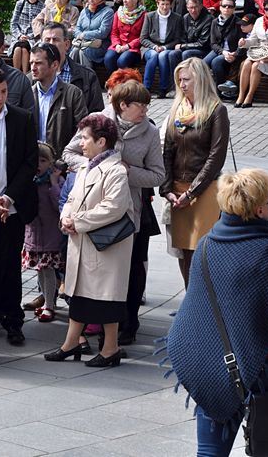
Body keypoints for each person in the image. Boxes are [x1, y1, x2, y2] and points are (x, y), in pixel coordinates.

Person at [166, 168, 268, 456]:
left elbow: (198, 305)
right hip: (262, 367)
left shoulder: (206, 244)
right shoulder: (266, 250)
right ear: (258, 209)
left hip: (207, 363)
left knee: (210, 452)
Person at [62, 80, 164, 346]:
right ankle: (87, 331)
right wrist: (97, 166)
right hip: (90, 206)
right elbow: (69, 153)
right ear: (122, 105)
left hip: (129, 213)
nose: (145, 110)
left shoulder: (150, 132)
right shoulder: (97, 122)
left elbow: (158, 174)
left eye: (146, 104)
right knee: (91, 272)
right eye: (140, 105)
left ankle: (127, 325)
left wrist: (128, 171)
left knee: (129, 271)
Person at [47, 114, 133, 367]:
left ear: (102, 142)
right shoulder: (86, 166)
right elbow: (71, 197)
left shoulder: (116, 170)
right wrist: (65, 216)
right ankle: (71, 343)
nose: (81, 143)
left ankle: (110, 349)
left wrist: (78, 221)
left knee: (106, 299)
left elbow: (113, 207)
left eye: (85, 138)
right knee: (81, 296)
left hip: (105, 246)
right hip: (83, 241)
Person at [0, 71, 39, 345]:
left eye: (4, 92)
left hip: (11, 205)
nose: (0, 98)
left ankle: (13, 321)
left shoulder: (21, 118)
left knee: (10, 265)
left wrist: (9, 197)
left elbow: (29, 161)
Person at [161, 57, 229, 287]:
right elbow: (168, 150)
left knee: (202, 250)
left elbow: (216, 157)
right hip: (178, 188)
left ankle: (205, 300)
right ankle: (190, 298)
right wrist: (167, 188)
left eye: (187, 79)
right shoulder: (177, 109)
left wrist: (191, 193)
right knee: (183, 250)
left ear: (200, 79)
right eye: (179, 80)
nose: (182, 84)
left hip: (204, 188)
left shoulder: (216, 111)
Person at [22, 142, 63, 323]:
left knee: (48, 270)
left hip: (51, 235)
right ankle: (45, 300)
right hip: (33, 234)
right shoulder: (30, 181)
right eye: (36, 160)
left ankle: (49, 305)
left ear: (51, 163)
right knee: (40, 270)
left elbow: (59, 205)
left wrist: (54, 184)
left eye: (43, 160)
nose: (39, 164)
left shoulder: (54, 182)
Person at [31, 44, 88, 159]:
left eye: (38, 63)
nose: (33, 68)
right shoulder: (27, 93)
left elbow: (82, 132)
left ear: (55, 65)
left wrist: (64, 162)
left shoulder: (73, 93)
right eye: (31, 63)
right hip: (32, 163)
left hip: (62, 165)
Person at [234, 0, 268, 108]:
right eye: (266, 9)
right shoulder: (259, 21)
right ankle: (241, 95)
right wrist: (244, 42)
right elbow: (253, 40)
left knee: (256, 66)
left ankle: (250, 96)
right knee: (247, 63)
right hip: (258, 51)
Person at [41, 22, 105, 113]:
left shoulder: (88, 76)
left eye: (56, 40)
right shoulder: (31, 78)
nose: (51, 44)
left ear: (66, 44)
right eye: (47, 40)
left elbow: (96, 116)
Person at [140, 0, 184, 98]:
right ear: (157, 4)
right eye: (162, 4)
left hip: (167, 47)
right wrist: (154, 47)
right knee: (154, 56)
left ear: (171, 5)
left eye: (167, 4)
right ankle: (147, 88)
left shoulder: (177, 18)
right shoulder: (149, 16)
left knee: (163, 56)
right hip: (150, 47)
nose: (165, 7)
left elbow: (178, 39)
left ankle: (163, 88)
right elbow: (143, 38)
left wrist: (164, 47)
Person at [203, 0, 244, 89]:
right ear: (220, 8)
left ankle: (220, 89)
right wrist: (223, 52)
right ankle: (206, 88)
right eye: (224, 6)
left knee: (216, 62)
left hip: (232, 52)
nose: (226, 8)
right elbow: (213, 43)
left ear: (234, 9)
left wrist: (235, 54)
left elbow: (243, 43)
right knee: (203, 63)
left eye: (230, 6)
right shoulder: (214, 22)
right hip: (220, 49)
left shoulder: (238, 23)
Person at [104, 0, 146, 74]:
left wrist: (127, 46)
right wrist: (117, 45)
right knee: (108, 58)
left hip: (133, 48)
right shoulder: (118, 13)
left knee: (122, 61)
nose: (124, 1)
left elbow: (143, 36)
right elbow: (114, 33)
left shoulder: (144, 15)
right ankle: (115, 83)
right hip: (118, 45)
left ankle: (123, 84)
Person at [167, 0, 213, 73]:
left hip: (204, 49)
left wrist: (183, 46)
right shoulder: (186, 17)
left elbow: (203, 43)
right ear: (187, 8)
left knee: (186, 54)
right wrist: (183, 45)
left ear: (201, 6)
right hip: (188, 47)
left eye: (196, 7)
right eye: (191, 8)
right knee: (172, 54)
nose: (193, 10)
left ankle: (188, 79)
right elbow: (183, 36)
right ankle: (174, 82)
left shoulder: (208, 19)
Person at [71, 0, 114, 66]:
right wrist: (79, 35)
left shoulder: (108, 12)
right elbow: (77, 28)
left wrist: (84, 35)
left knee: (83, 51)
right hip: (82, 43)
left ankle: (87, 77)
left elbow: (103, 32)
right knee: (74, 50)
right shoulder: (84, 11)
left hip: (99, 45)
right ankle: (70, 75)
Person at [8, 0, 45, 73]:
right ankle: (16, 74)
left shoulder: (42, 6)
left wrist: (30, 36)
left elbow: (41, 25)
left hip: (32, 37)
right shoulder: (20, 4)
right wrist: (19, 35)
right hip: (19, 36)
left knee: (25, 49)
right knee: (17, 48)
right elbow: (13, 22)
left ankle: (25, 74)